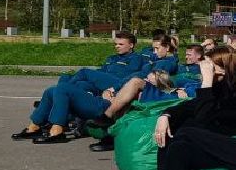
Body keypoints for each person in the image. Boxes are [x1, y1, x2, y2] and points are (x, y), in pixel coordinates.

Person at [13, 31, 151, 143]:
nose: (117, 46)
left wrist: (112, 89)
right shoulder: (112, 59)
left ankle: (57, 129)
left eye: (121, 44)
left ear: (131, 45)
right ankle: (34, 127)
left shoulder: (137, 59)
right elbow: (101, 73)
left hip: (110, 95)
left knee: (77, 77)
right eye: (115, 44)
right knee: (55, 88)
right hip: (99, 90)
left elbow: (129, 78)